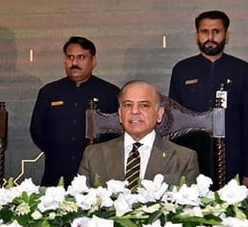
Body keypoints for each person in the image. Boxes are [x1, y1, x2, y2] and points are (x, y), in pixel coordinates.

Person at [169, 10, 248, 186]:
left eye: (216, 32)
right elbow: (173, 123)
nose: (210, 37)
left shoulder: (242, 70)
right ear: (197, 36)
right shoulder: (182, 70)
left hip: (233, 158)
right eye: (205, 32)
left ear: (226, 36)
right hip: (191, 159)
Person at [30, 36, 119, 187]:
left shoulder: (110, 93)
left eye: (81, 57)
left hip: (97, 174)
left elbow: (118, 132)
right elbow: (37, 130)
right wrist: (57, 150)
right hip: (57, 172)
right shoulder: (49, 92)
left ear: (93, 61)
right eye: (70, 57)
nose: (74, 63)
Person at [78, 80, 199, 187]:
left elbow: (187, 210)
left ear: (159, 114)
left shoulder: (184, 159)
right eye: (128, 105)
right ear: (120, 114)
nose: (134, 111)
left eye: (144, 105)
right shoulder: (93, 156)